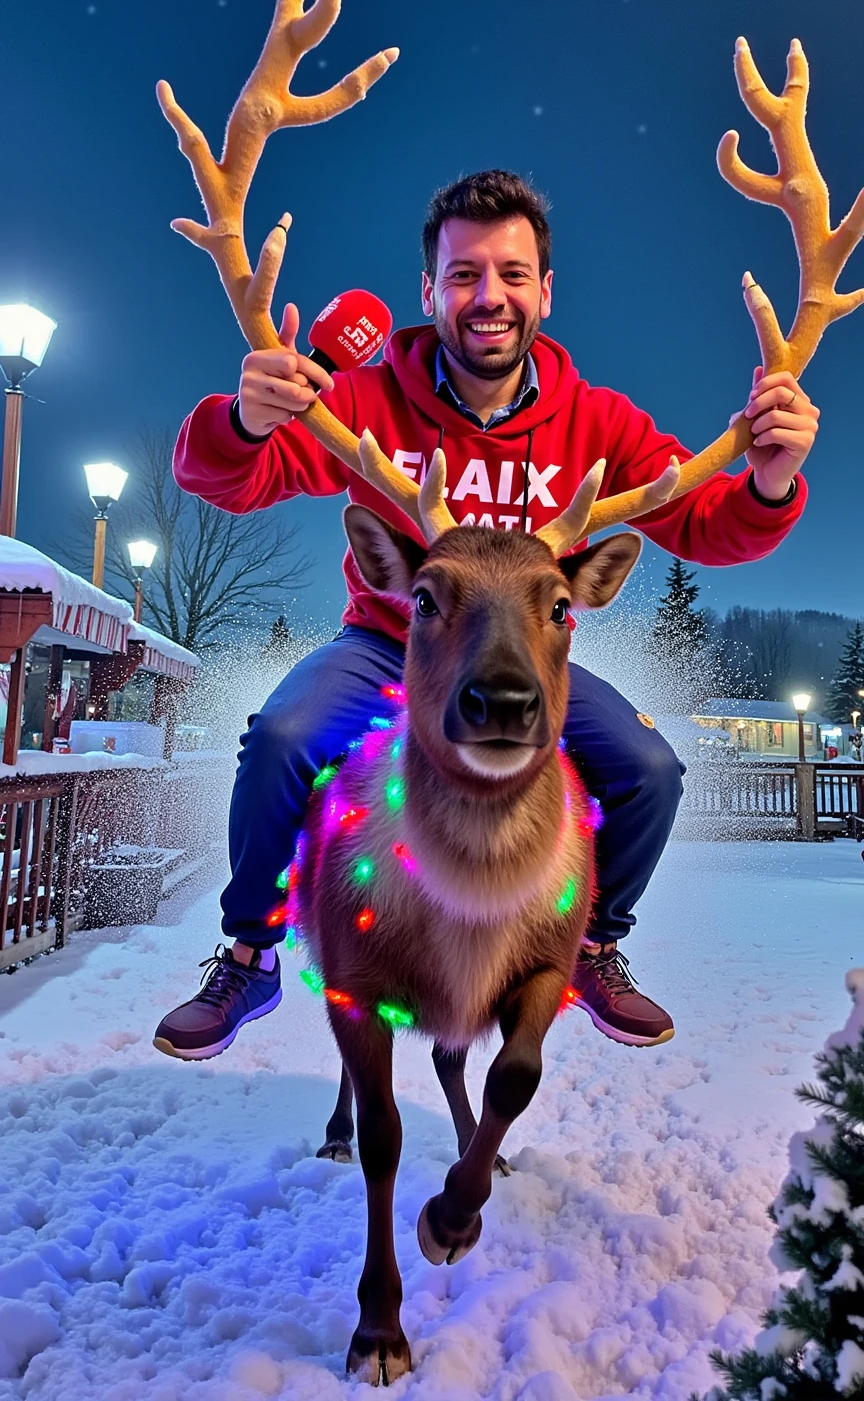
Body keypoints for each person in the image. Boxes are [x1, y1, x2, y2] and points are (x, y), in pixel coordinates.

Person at [154, 171, 819, 1062]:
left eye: (511, 273)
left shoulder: (600, 423)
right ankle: (248, 953)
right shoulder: (362, 403)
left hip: (520, 660)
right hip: (388, 649)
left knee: (651, 771)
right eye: (463, 274)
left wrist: (770, 477)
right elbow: (226, 479)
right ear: (429, 291)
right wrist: (243, 420)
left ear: (545, 291)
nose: (487, 296)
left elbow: (707, 524)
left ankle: (591, 945)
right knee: (280, 738)